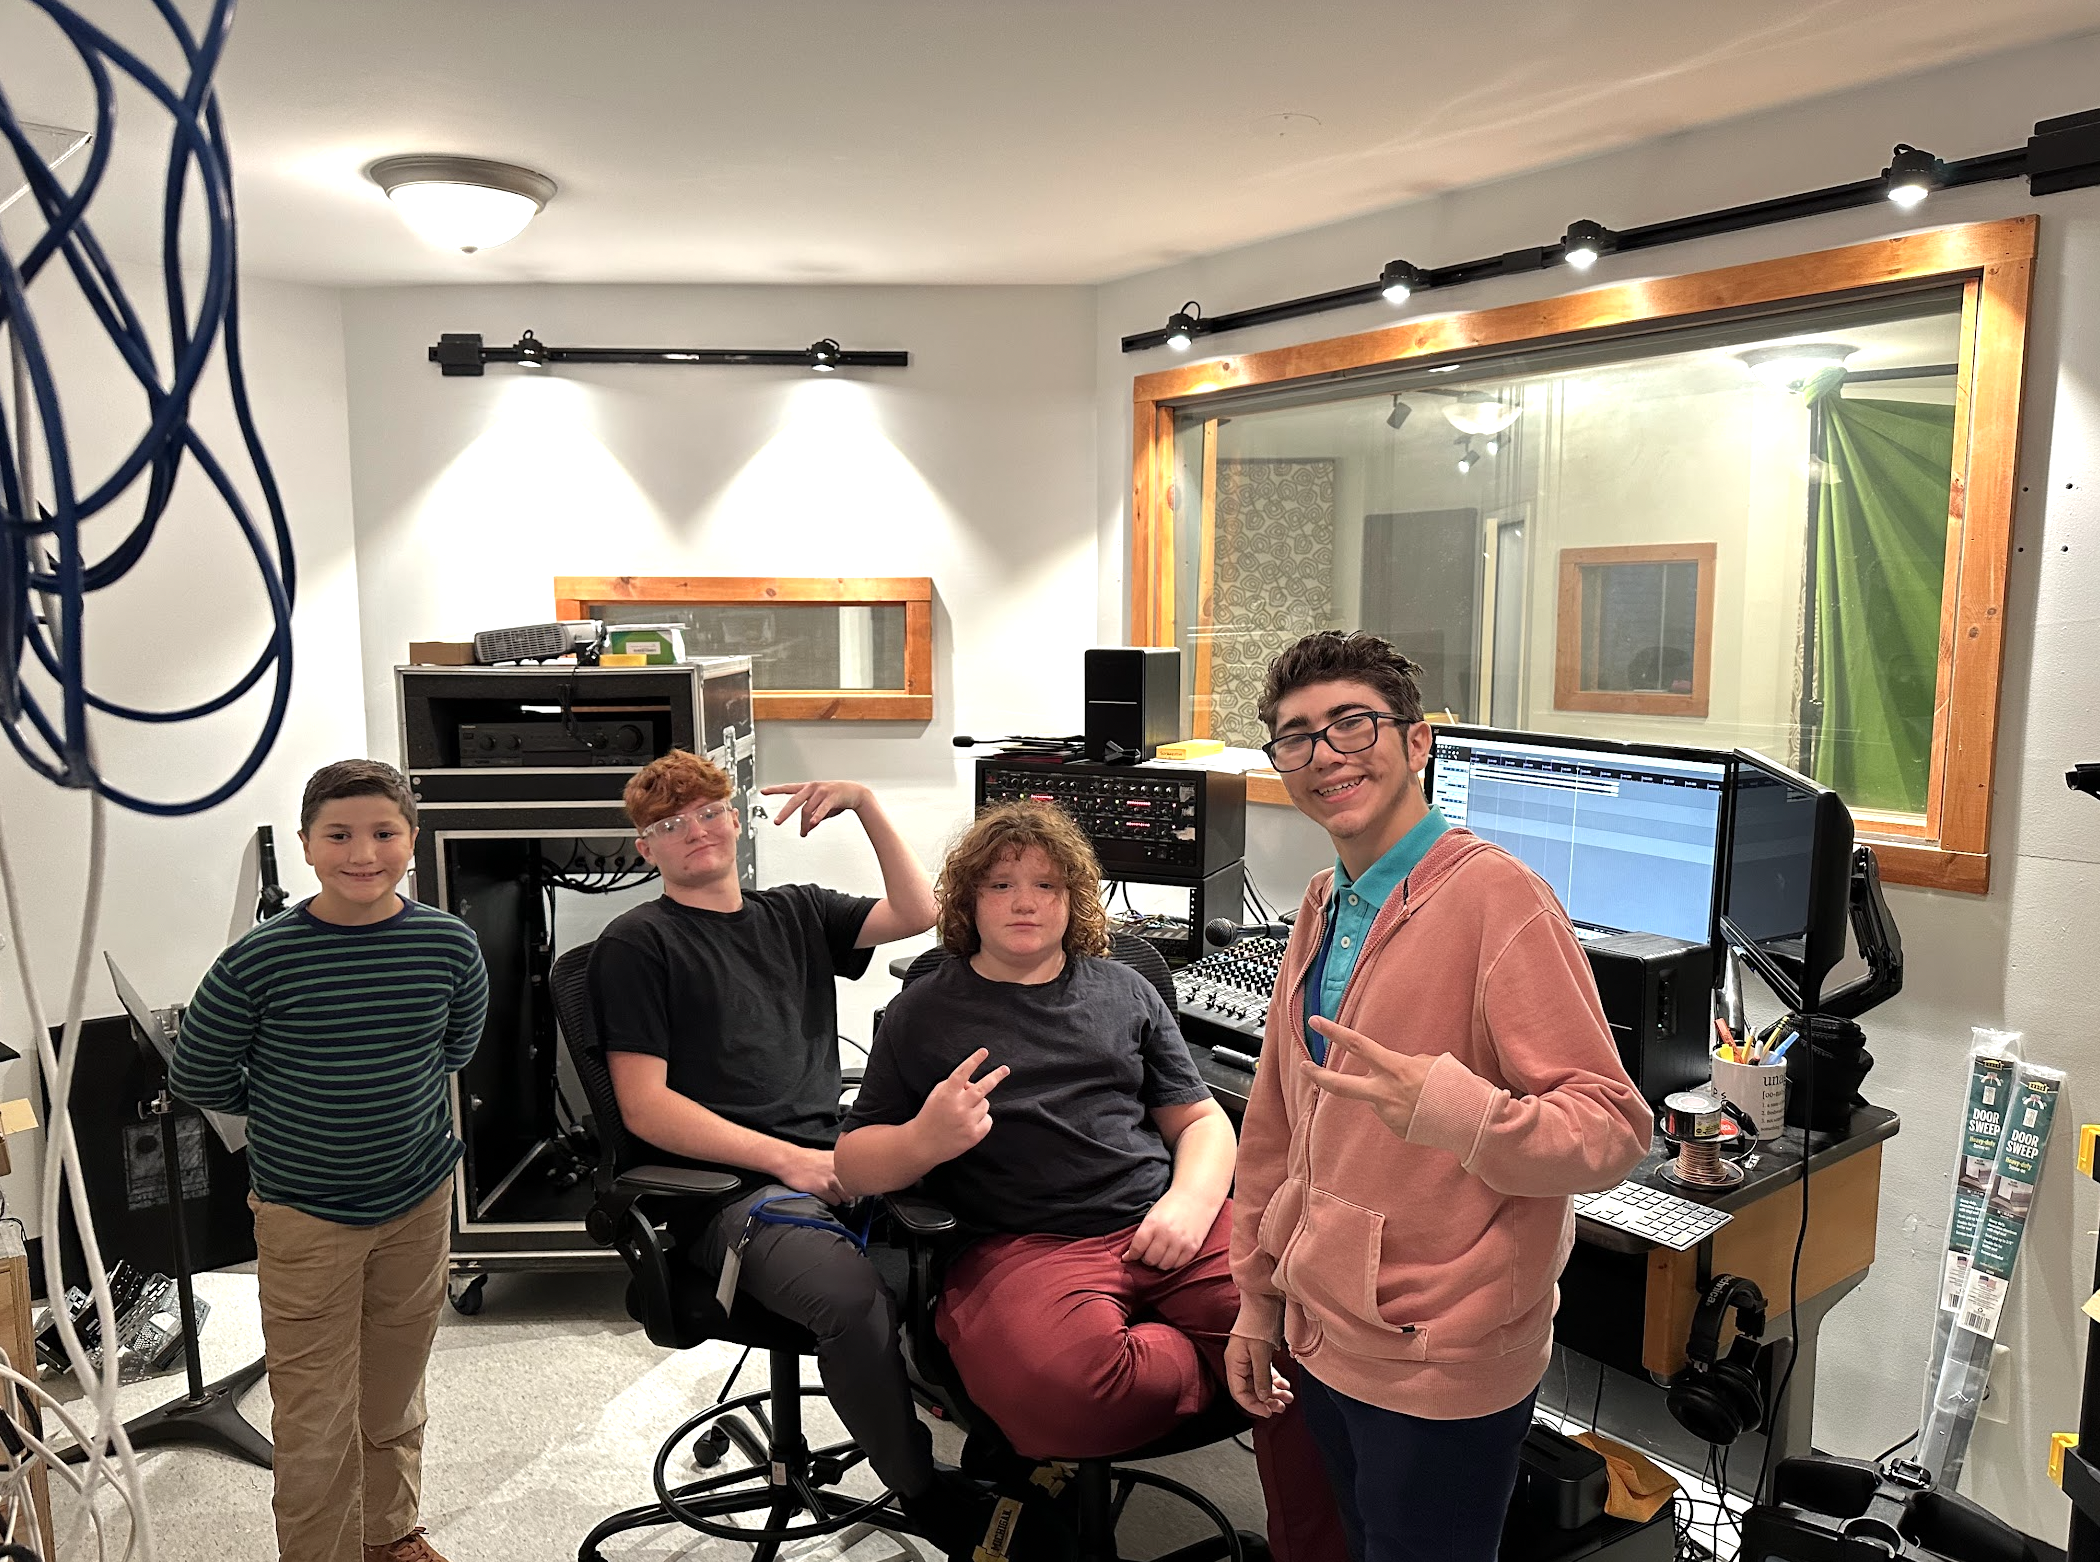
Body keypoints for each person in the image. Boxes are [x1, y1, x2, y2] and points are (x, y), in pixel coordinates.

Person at [1224, 631, 1654, 1562]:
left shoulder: (1501, 901)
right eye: (1296, 737)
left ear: (1418, 743)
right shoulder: (1322, 903)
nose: (1325, 755)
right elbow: (1273, 1126)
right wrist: (1256, 1298)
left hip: (1438, 1357)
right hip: (1322, 1328)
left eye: (1352, 725)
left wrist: (1457, 1111)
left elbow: (1615, 1129)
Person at [835, 800, 1345, 1562]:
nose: (1025, 901)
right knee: (1066, 1399)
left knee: (1318, 1339)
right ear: (969, 902)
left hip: (1167, 1224)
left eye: (1045, 884)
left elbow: (1201, 1123)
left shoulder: (1125, 992)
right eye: (1002, 884)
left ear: (1072, 900)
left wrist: (1188, 1202)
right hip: (1022, 1247)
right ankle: (1211, 1355)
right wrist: (923, 1139)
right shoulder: (925, 1011)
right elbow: (855, 1162)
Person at [585, 749, 987, 1547]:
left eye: (707, 812)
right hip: (724, 1192)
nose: (694, 831)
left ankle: (1003, 1454)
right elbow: (646, 1107)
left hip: (832, 1157)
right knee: (849, 1300)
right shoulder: (637, 944)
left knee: (980, 1237)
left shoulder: (795, 911)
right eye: (668, 825)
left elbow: (918, 914)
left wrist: (867, 802)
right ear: (646, 850)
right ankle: (920, 1488)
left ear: (734, 820)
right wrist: (789, 1162)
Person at [172, 760, 490, 1562]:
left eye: (384, 833)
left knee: (393, 1388)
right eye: (339, 835)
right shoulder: (259, 961)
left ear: (411, 841)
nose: (363, 853)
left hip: (417, 1200)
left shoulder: (448, 945)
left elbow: (454, 1048)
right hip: (305, 1215)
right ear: (309, 847)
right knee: (314, 1413)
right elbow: (198, 1074)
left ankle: (389, 1534)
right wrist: (294, 1105)